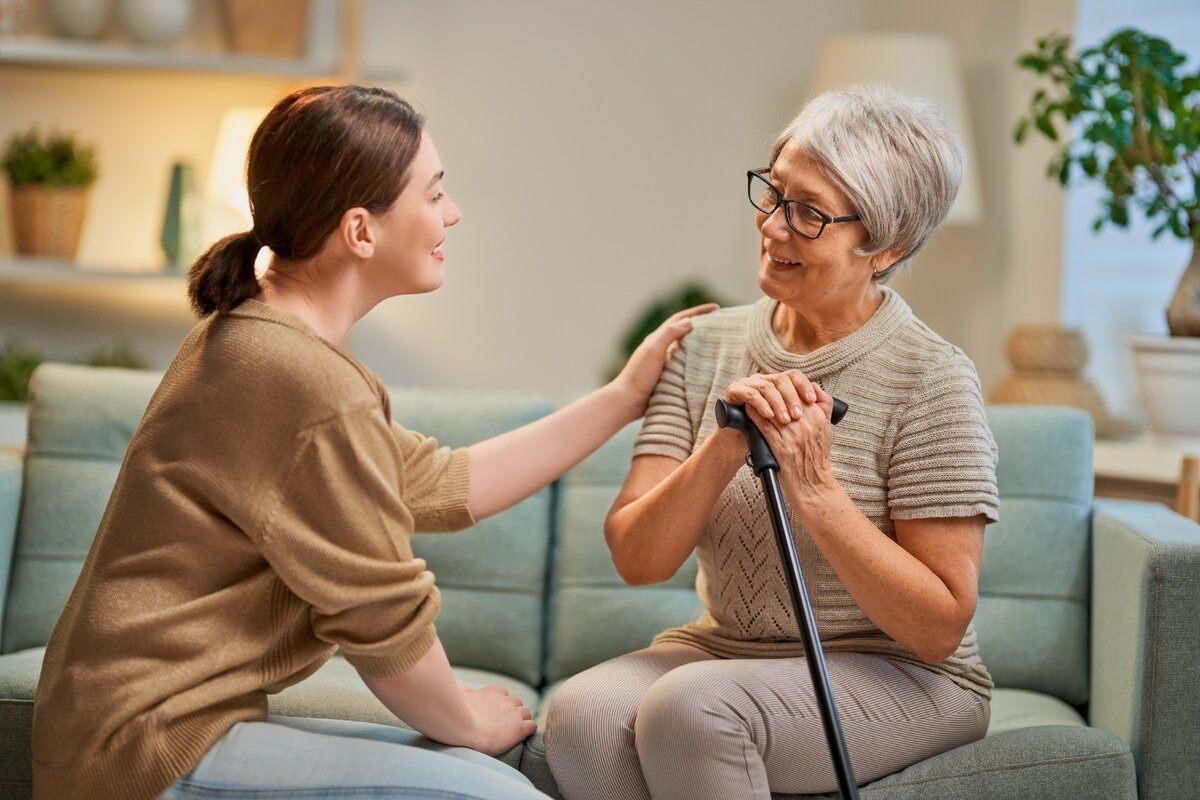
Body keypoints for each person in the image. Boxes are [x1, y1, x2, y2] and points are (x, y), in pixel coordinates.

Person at [30, 85, 714, 800]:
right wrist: (465, 722)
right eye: (434, 194)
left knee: (485, 780)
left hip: (141, 730)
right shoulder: (300, 379)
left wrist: (622, 398)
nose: (453, 214)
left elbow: (446, 482)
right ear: (361, 231)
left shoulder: (261, 343)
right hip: (147, 753)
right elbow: (382, 623)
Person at [545, 84, 1000, 800]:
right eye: (774, 193)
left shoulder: (932, 378)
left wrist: (813, 487)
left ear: (887, 246)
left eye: (809, 213)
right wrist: (724, 447)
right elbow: (637, 558)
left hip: (904, 672)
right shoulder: (701, 347)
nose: (774, 226)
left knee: (693, 710)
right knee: (578, 716)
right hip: (724, 648)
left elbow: (938, 627)